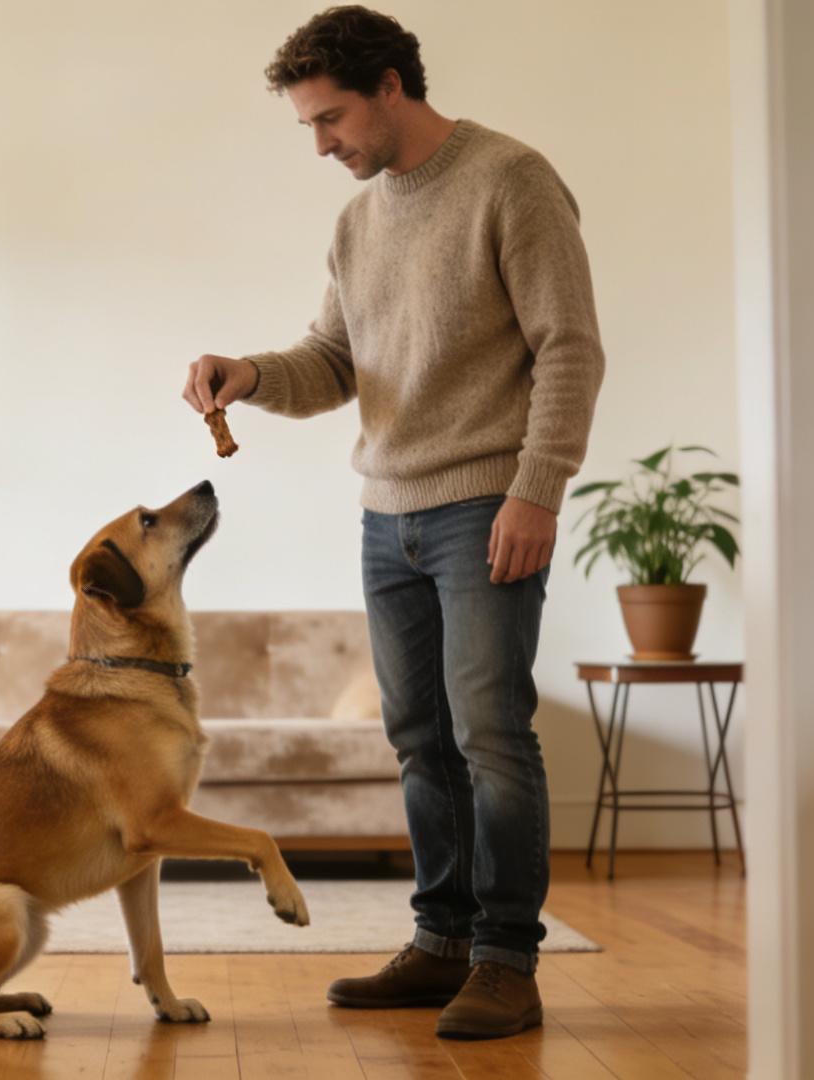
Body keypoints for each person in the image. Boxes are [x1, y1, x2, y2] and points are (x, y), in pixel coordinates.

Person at [180, 5, 605, 1040]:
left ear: (389, 87)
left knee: (491, 735)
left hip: (484, 509)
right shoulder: (357, 222)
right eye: (310, 128)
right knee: (419, 740)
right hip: (388, 517)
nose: (323, 145)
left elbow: (570, 349)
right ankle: (441, 941)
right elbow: (335, 361)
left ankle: (506, 958)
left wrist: (537, 489)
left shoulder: (511, 180)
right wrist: (250, 373)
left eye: (331, 120)